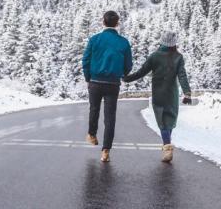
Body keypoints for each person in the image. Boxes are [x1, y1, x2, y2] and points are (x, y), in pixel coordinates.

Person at [123, 30, 191, 163]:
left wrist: (127, 79)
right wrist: (187, 93)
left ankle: (167, 146)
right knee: (170, 120)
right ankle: (167, 145)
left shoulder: (155, 56)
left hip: (158, 93)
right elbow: (182, 75)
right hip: (172, 93)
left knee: (162, 121)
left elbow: (142, 72)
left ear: (162, 41)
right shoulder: (178, 57)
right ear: (174, 43)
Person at [82, 10, 133, 163]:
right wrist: (121, 73)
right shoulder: (123, 42)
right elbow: (128, 64)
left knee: (94, 109)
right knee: (110, 117)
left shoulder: (94, 39)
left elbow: (85, 60)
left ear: (102, 22)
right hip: (113, 83)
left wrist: (88, 78)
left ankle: (92, 135)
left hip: (95, 82)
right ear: (117, 24)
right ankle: (105, 151)